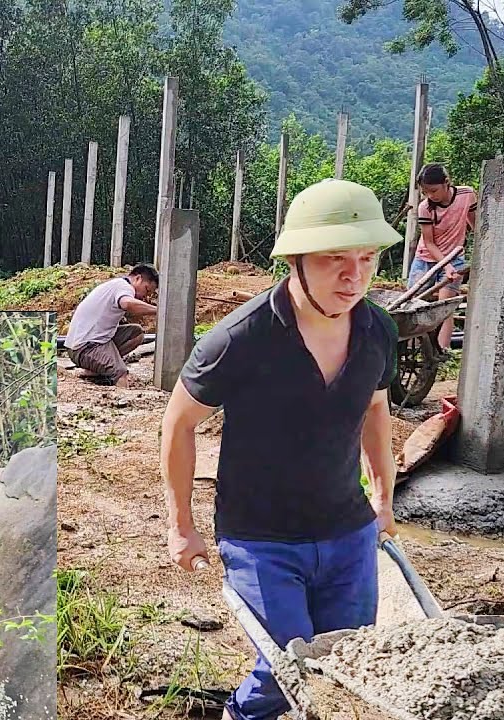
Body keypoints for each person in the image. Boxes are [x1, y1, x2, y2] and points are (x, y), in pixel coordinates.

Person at [159, 179, 400, 720]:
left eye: (366, 259)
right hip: (261, 539)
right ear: (295, 260)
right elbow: (178, 424)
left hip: (347, 534)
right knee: (285, 669)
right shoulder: (241, 339)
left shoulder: (378, 330)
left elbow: (375, 410)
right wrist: (181, 525)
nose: (353, 276)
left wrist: (383, 498)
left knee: (347, 665)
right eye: (335, 259)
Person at [409, 163, 477, 350]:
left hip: (454, 258)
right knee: (413, 307)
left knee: (445, 309)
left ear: (447, 183)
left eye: (433, 190)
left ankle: (441, 354)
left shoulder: (467, 195)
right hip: (425, 260)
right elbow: (429, 243)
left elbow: (475, 224)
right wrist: (445, 266)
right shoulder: (425, 208)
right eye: (425, 192)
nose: (430, 196)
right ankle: (411, 349)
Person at [65, 264, 159, 387]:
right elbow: (126, 304)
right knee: (120, 372)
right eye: (146, 290)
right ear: (138, 278)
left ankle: (95, 370)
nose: (144, 296)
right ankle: (121, 395)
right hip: (85, 347)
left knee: (136, 333)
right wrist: (158, 310)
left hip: (86, 343)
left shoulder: (115, 285)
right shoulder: (124, 287)